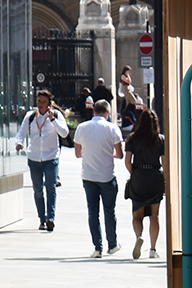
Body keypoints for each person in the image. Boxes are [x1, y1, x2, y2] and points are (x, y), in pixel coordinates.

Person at [73, 99, 124, 258]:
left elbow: (77, 153)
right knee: (109, 211)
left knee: (92, 212)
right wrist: (110, 154)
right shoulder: (112, 128)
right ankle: (112, 244)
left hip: (88, 176)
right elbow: (120, 154)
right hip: (107, 176)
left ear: (94, 111)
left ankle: (97, 247)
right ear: (107, 113)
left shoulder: (82, 128)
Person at [15, 89, 69, 232]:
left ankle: (51, 217)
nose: (40, 104)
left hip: (51, 157)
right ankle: (42, 218)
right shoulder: (31, 116)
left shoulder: (56, 116)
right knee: (38, 190)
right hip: (34, 158)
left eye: (44, 102)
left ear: (49, 104)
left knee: (50, 188)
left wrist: (53, 120)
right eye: (39, 101)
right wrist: (19, 143)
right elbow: (21, 132)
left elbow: (64, 133)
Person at [125, 107, 166, 259]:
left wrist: (134, 174)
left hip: (139, 176)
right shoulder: (160, 139)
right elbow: (165, 162)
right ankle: (153, 249)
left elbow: (127, 161)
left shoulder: (132, 138)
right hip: (155, 175)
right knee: (154, 215)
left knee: (137, 215)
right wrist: (165, 181)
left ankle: (138, 237)